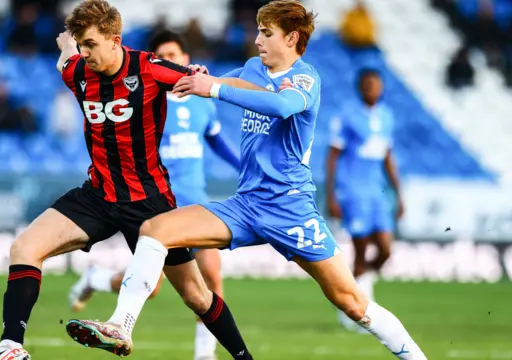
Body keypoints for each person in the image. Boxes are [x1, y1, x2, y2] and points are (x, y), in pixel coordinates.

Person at [73, 1, 427, 359]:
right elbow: (228, 81)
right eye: (258, 30)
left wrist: (212, 88)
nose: (257, 39)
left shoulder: (305, 78)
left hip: (290, 209)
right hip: (246, 204)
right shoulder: (254, 68)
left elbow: (282, 105)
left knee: (352, 303)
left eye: (266, 32)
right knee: (154, 230)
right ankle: (121, 325)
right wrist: (197, 79)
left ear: (291, 38)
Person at [0, 1, 259, 359]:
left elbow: (212, 85)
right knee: (24, 249)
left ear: (115, 40)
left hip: (149, 205)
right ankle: (11, 348)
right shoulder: (78, 70)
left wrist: (218, 82)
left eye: (91, 44)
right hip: (96, 196)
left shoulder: (150, 69)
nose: (85, 53)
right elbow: (66, 58)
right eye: (81, 45)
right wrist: (68, 44)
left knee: (197, 295)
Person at [67, 29, 240, 360]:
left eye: (176, 56)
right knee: (154, 288)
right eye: (166, 57)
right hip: (160, 208)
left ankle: (205, 355)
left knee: (211, 278)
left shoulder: (201, 104)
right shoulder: (148, 99)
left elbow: (217, 140)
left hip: (198, 206)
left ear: (186, 60)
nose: (171, 62)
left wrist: (244, 166)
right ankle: (99, 278)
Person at [326, 68, 403, 332]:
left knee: (385, 250)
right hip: (353, 191)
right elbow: (333, 156)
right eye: (368, 84)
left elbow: (388, 157)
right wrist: (331, 194)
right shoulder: (347, 116)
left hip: (377, 193)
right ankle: (357, 311)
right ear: (360, 87)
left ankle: (355, 292)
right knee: (360, 251)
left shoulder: (387, 117)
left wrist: (399, 194)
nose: (373, 88)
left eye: (376, 84)